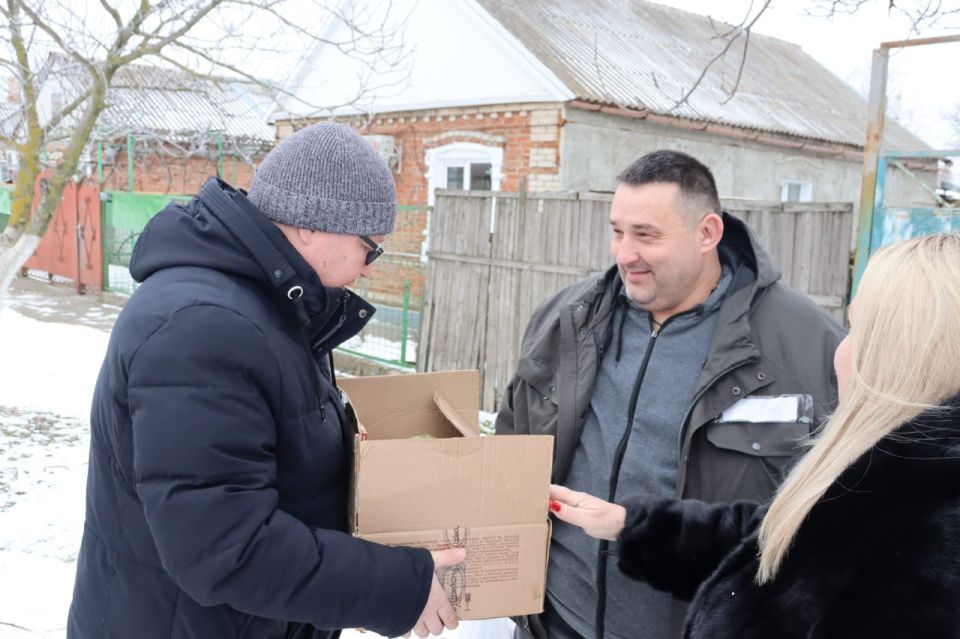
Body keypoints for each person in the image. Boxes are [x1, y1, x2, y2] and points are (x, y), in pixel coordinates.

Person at [67, 123, 464, 638]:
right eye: (371, 247)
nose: (369, 268)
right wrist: (394, 587)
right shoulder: (202, 329)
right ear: (311, 227)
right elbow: (226, 548)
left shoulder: (275, 305)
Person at [495, 150, 845, 639]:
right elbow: (509, 448)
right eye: (618, 231)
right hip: (553, 624)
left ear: (707, 234)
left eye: (646, 235)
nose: (624, 253)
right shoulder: (566, 319)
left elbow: (837, 526)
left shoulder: (811, 347)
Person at [550, 232, 960, 638]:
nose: (842, 348)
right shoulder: (881, 472)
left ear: (906, 354)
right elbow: (781, 544)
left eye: (857, 329)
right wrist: (634, 526)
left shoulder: (924, 543)